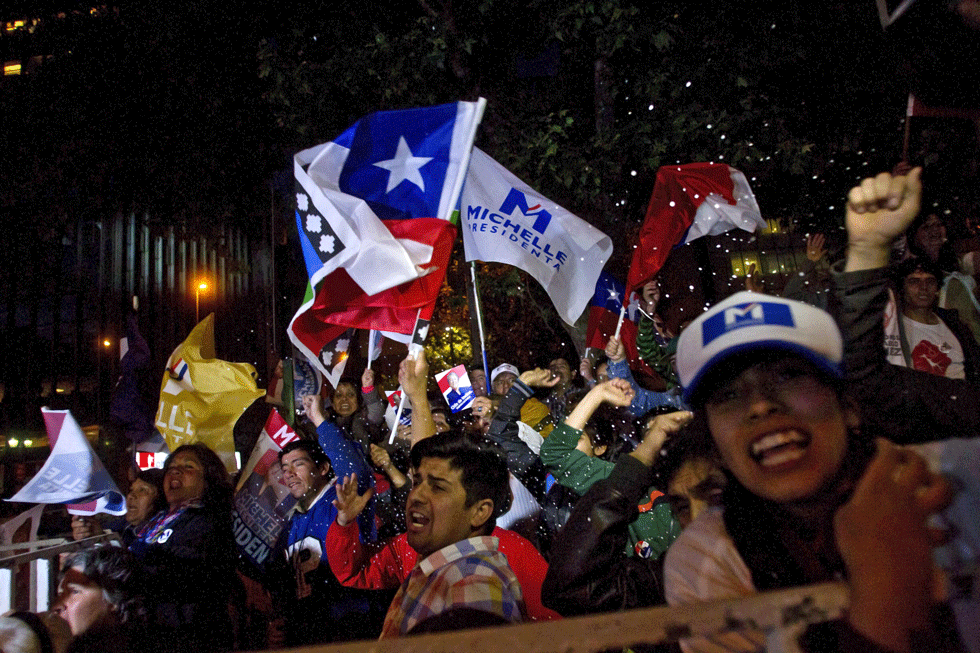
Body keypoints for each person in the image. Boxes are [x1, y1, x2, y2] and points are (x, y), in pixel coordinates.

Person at [663, 167, 963, 653]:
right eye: (729, 396)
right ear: (713, 445)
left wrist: (869, 253)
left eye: (788, 375)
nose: (762, 405)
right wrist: (883, 592)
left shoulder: (955, 487)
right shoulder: (705, 564)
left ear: (849, 407)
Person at [377, 431, 526, 637]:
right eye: (417, 482)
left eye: (437, 487)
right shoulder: (444, 568)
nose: (416, 495)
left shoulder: (473, 579)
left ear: (479, 512)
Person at [539, 378, 679, 559]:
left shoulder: (716, 487)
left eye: (666, 433)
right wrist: (596, 395)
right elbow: (555, 453)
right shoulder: (623, 482)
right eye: (651, 437)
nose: (658, 444)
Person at [274, 437, 386, 644]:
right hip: (309, 635)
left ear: (323, 468)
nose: (289, 474)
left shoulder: (341, 500)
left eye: (298, 464)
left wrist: (318, 418)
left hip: (351, 629)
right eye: (284, 468)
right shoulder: (291, 523)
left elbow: (358, 473)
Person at [128, 443, 236, 651]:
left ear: (208, 481)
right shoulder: (154, 523)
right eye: (171, 468)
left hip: (189, 639)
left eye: (189, 466)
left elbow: (186, 574)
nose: (176, 470)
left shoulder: (209, 523)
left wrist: (134, 564)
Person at [886, 256, 980, 382]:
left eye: (930, 281)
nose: (924, 287)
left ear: (937, 289)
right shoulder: (893, 329)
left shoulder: (954, 323)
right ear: (901, 289)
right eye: (914, 281)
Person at [71, 469, 167, 547]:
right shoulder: (122, 526)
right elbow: (100, 534)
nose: (131, 496)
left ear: (160, 498)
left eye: (142, 490)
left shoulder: (164, 537)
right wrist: (92, 533)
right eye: (131, 490)